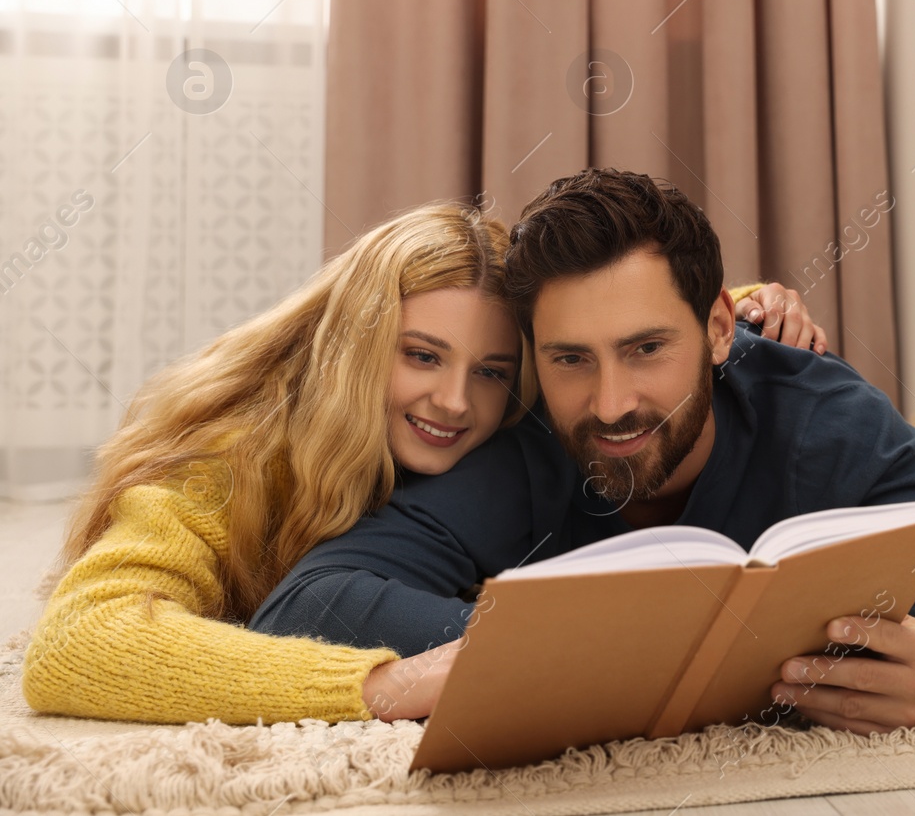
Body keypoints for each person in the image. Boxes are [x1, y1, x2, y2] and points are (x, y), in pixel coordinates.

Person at [253, 170, 915, 734]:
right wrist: (557, 643)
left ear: (720, 328)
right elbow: (310, 598)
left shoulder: (821, 412)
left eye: (645, 348)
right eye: (571, 359)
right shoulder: (526, 444)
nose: (609, 402)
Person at [21, 200, 819, 725]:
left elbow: (613, 333)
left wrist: (744, 302)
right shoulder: (228, 459)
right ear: (355, 347)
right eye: (420, 355)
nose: (455, 402)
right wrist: (376, 686)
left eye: (492, 370)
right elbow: (78, 641)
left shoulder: (515, 425)